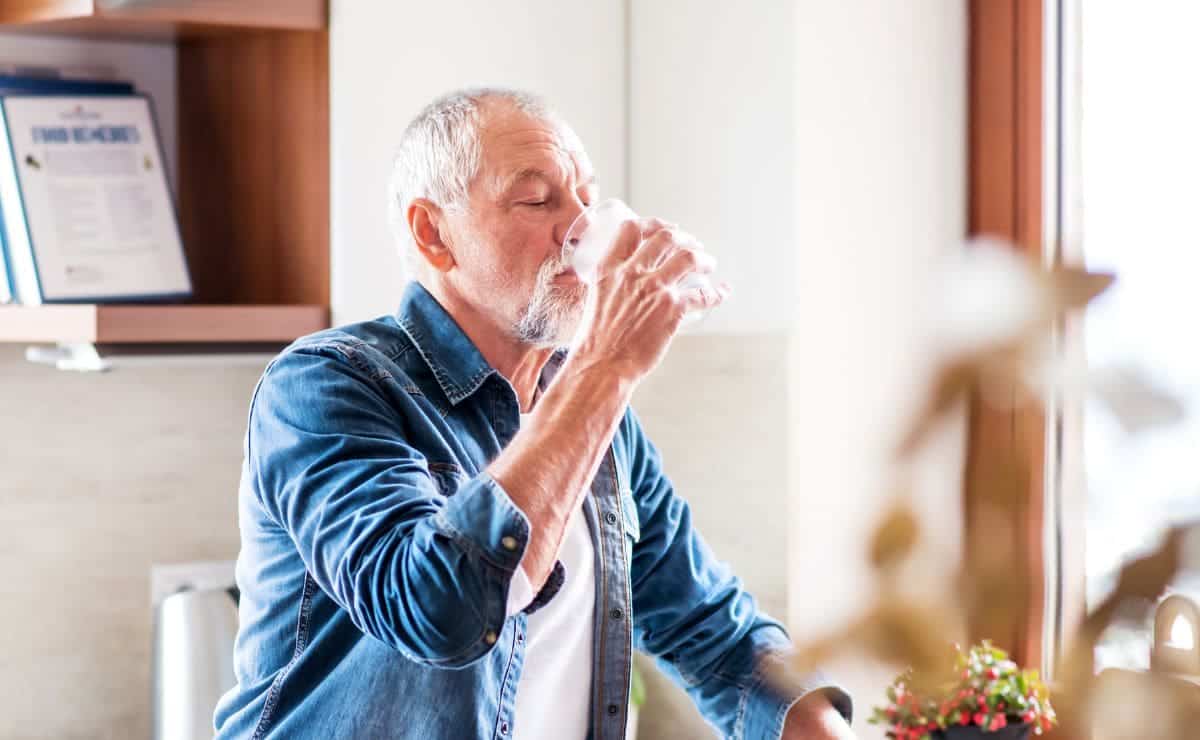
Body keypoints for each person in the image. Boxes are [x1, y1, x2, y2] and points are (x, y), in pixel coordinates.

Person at [213, 87, 854, 740]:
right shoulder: (329, 384)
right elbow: (435, 610)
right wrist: (605, 364)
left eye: (584, 195)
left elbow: (716, 637)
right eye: (538, 199)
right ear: (433, 234)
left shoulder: (594, 417)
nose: (577, 225)